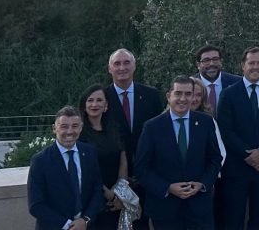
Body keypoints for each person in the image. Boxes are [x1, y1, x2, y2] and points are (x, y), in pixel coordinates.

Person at [134, 76, 223, 230]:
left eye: (188, 94)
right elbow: (142, 169)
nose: (183, 99)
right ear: (169, 96)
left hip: (199, 207)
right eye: (178, 93)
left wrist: (202, 184)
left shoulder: (205, 123)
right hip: (165, 208)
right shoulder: (152, 127)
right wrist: (167, 187)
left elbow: (215, 159)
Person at [216, 46, 259, 230]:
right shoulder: (228, 94)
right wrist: (248, 155)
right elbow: (225, 131)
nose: (256, 67)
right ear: (243, 66)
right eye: (251, 63)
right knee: (234, 219)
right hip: (237, 167)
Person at [104, 48, 164, 229]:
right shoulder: (100, 98)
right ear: (109, 69)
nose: (122, 67)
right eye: (117, 63)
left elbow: (159, 135)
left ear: (134, 66)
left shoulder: (151, 95)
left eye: (126, 62)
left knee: (143, 223)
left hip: (146, 174)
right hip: (112, 179)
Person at [28, 106, 105, 230]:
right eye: (64, 126)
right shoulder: (40, 161)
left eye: (75, 126)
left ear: (81, 128)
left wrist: (85, 220)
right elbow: (36, 205)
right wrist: (67, 225)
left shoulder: (89, 152)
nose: (70, 131)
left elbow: (97, 189)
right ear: (54, 128)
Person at [77, 85, 129, 230]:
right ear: (84, 105)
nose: (95, 104)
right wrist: (110, 196)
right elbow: (88, 172)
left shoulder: (114, 128)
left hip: (118, 200)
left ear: (106, 105)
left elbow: (122, 158)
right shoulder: (80, 135)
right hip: (94, 200)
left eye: (99, 100)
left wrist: (120, 193)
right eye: (90, 100)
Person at [195, 45, 242, 118]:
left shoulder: (238, 83)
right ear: (198, 65)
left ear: (221, 61)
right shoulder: (189, 85)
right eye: (206, 60)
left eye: (215, 59)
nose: (212, 63)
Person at [189, 78, 227, 165]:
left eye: (198, 95)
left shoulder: (209, 121)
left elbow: (220, 154)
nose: (194, 99)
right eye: (190, 94)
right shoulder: (164, 121)